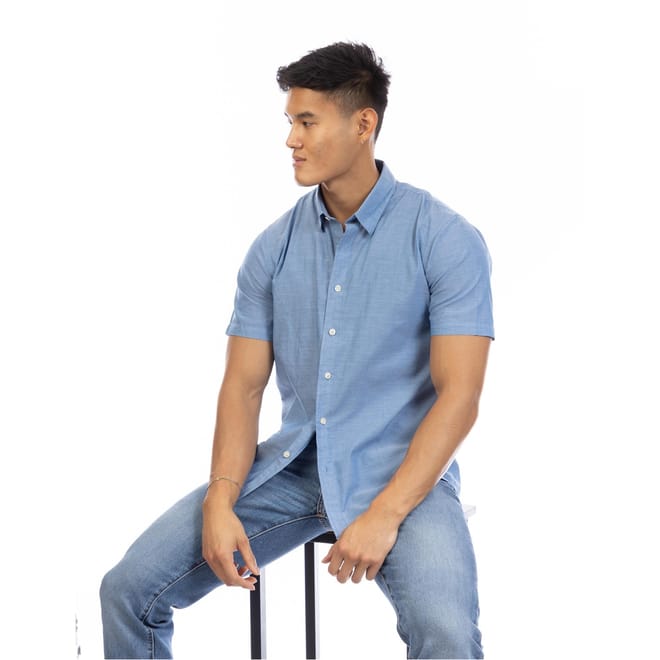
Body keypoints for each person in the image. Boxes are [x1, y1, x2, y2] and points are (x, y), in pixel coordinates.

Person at [100, 41, 494, 659]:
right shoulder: (273, 248)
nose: (291, 140)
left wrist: (385, 514)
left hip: (405, 474)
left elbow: (460, 397)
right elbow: (243, 387)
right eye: (290, 122)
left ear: (363, 124)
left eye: (307, 122)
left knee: (447, 633)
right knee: (127, 590)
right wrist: (221, 498)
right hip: (296, 469)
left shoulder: (444, 238)